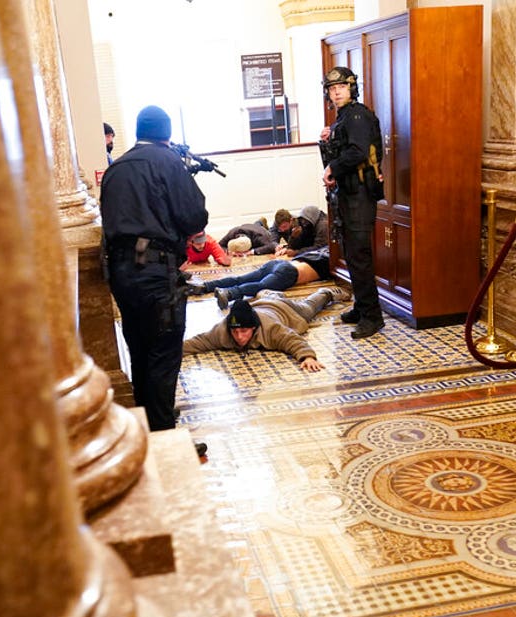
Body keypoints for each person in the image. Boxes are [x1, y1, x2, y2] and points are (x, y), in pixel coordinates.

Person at [101, 105, 208, 456]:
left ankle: (150, 424)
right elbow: (193, 214)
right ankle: (165, 445)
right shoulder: (167, 162)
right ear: (166, 134)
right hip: (156, 272)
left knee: (140, 349)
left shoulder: (116, 169)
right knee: (163, 354)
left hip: (121, 274)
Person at [320, 66, 386, 339]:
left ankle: (373, 317)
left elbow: (357, 152)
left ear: (352, 88)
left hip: (359, 195)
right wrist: (327, 140)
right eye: (332, 89)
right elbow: (342, 149)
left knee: (359, 257)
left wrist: (332, 168)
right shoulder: (343, 118)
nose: (336, 93)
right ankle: (361, 307)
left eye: (341, 88)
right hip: (347, 195)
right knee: (352, 254)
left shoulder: (357, 115)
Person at [183, 287, 351, 372]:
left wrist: (307, 357)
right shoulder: (222, 330)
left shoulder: (271, 329)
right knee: (268, 296)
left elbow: (291, 339)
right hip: (261, 306)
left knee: (309, 307)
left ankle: (326, 292)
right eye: (235, 332)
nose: (239, 337)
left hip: (285, 310)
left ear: (254, 328)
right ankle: (268, 294)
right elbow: (199, 341)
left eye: (244, 331)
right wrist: (174, 351)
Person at [187, 246, 333, 310]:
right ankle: (230, 293)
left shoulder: (319, 252)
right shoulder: (333, 261)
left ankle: (205, 286)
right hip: (289, 272)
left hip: (278, 263)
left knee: (241, 278)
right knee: (261, 285)